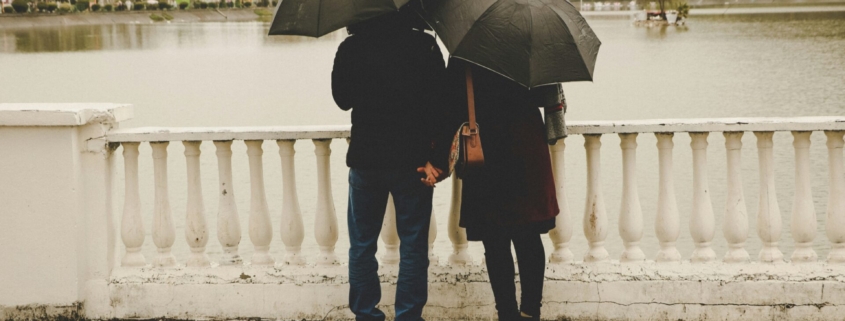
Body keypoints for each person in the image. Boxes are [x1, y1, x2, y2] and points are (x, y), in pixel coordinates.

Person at [331, 7, 449, 321]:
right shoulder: (424, 46)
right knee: (413, 247)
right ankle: (408, 316)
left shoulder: (351, 47)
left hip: (366, 159)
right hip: (413, 161)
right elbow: (441, 105)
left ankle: (366, 314)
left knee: (362, 245)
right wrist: (437, 161)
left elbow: (342, 100)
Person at [443, 59, 563, 321]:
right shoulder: (530, 43)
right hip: (525, 145)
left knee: (495, 239)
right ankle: (531, 312)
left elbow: (451, 102)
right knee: (528, 236)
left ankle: (507, 314)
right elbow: (548, 96)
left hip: (485, 147)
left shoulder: (467, 51)